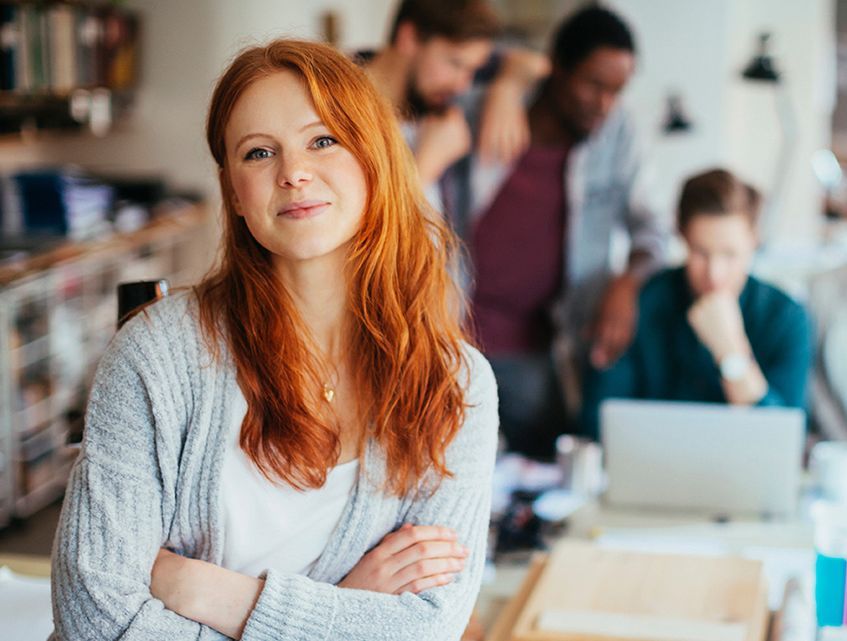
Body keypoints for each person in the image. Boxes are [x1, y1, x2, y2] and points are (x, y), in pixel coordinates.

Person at [50, 39, 499, 641]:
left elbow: (429, 626)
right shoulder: (155, 355)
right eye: (259, 153)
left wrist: (201, 589)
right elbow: (93, 616)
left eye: (323, 140)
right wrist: (343, 608)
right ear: (235, 193)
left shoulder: (457, 385)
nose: (293, 172)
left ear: (375, 160)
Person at [458, 6, 667, 457]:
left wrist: (626, 283)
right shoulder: (482, 108)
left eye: (617, 90)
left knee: (542, 471)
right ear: (556, 67)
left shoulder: (619, 132)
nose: (604, 104)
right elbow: (448, 60)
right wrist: (509, 81)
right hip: (451, 338)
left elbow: (653, 230)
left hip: (537, 351)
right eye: (593, 85)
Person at [581, 169, 814, 440]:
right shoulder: (641, 303)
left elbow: (784, 441)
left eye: (729, 254)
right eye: (701, 253)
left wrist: (731, 354)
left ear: (754, 239)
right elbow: (596, 423)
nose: (714, 274)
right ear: (682, 236)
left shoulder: (787, 318)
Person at [359, 0, 549, 217]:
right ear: (409, 38)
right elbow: (362, 233)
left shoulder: (436, 102)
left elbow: (533, 63)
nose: (463, 85)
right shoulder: (335, 109)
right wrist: (426, 165)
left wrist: (506, 89)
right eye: (456, 64)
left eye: (473, 70)